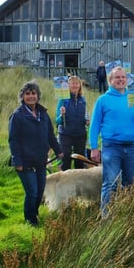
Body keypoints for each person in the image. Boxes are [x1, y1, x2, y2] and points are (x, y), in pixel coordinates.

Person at [89, 66, 134, 214]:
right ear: (110, 81)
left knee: (129, 182)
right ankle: (107, 219)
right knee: (110, 183)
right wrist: (94, 147)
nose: (121, 80)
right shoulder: (103, 100)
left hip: (131, 147)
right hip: (111, 147)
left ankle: (125, 216)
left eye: (123, 77)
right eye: (117, 77)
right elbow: (94, 125)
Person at [9, 81, 63, 226]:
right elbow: (13, 140)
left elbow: (50, 135)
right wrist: (17, 161)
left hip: (40, 160)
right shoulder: (17, 115)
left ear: (38, 96)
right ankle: (30, 221)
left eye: (34, 93)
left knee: (39, 193)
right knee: (32, 193)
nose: (31, 96)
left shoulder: (43, 114)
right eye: (28, 93)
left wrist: (58, 150)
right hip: (24, 162)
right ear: (22, 97)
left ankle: (35, 215)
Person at [56, 76, 89, 171]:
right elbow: (57, 121)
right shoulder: (62, 100)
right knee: (66, 160)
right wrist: (62, 115)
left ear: (80, 86)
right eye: (72, 83)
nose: (75, 85)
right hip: (66, 134)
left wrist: (86, 121)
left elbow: (85, 116)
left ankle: (79, 183)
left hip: (80, 134)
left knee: (79, 160)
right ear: (68, 86)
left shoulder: (83, 100)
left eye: (77, 83)